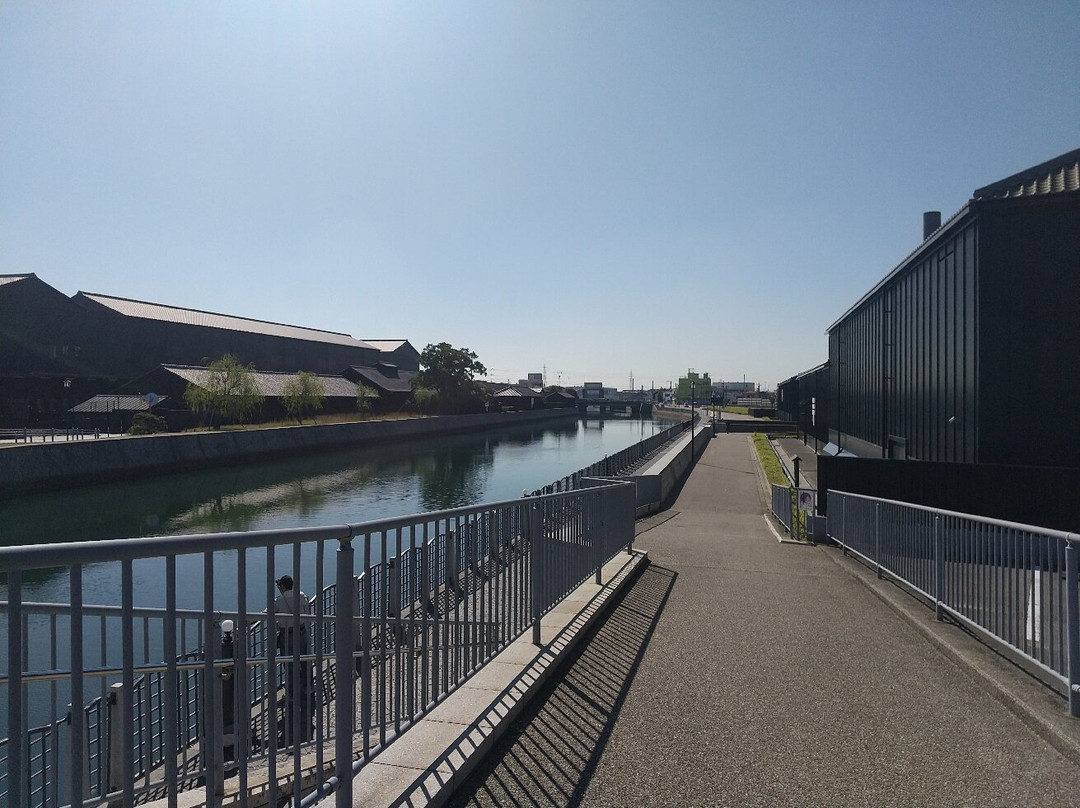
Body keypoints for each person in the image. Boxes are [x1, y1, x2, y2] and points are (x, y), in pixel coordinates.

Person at [272, 574, 313, 745]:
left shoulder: (279, 601)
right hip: (302, 631)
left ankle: (291, 695)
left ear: (282, 586)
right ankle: (308, 687)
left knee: (289, 664)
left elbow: (269, 613)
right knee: (304, 659)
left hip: (287, 636)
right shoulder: (302, 596)